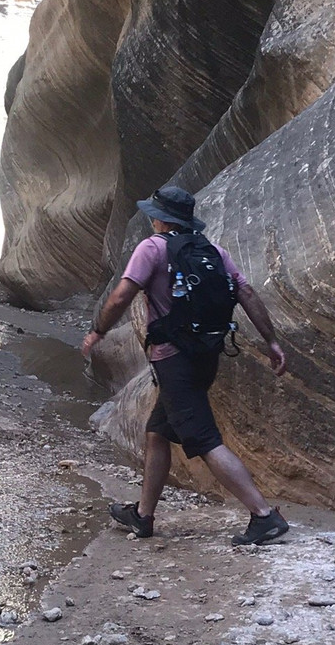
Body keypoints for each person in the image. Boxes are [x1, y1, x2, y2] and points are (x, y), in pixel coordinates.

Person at [81, 186, 289, 545]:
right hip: (205, 355)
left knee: (203, 438)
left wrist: (98, 331)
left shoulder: (152, 248)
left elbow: (120, 295)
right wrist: (271, 341)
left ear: (160, 219)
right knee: (157, 431)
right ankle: (143, 517)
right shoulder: (214, 251)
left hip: (172, 359)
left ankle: (263, 515)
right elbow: (247, 294)